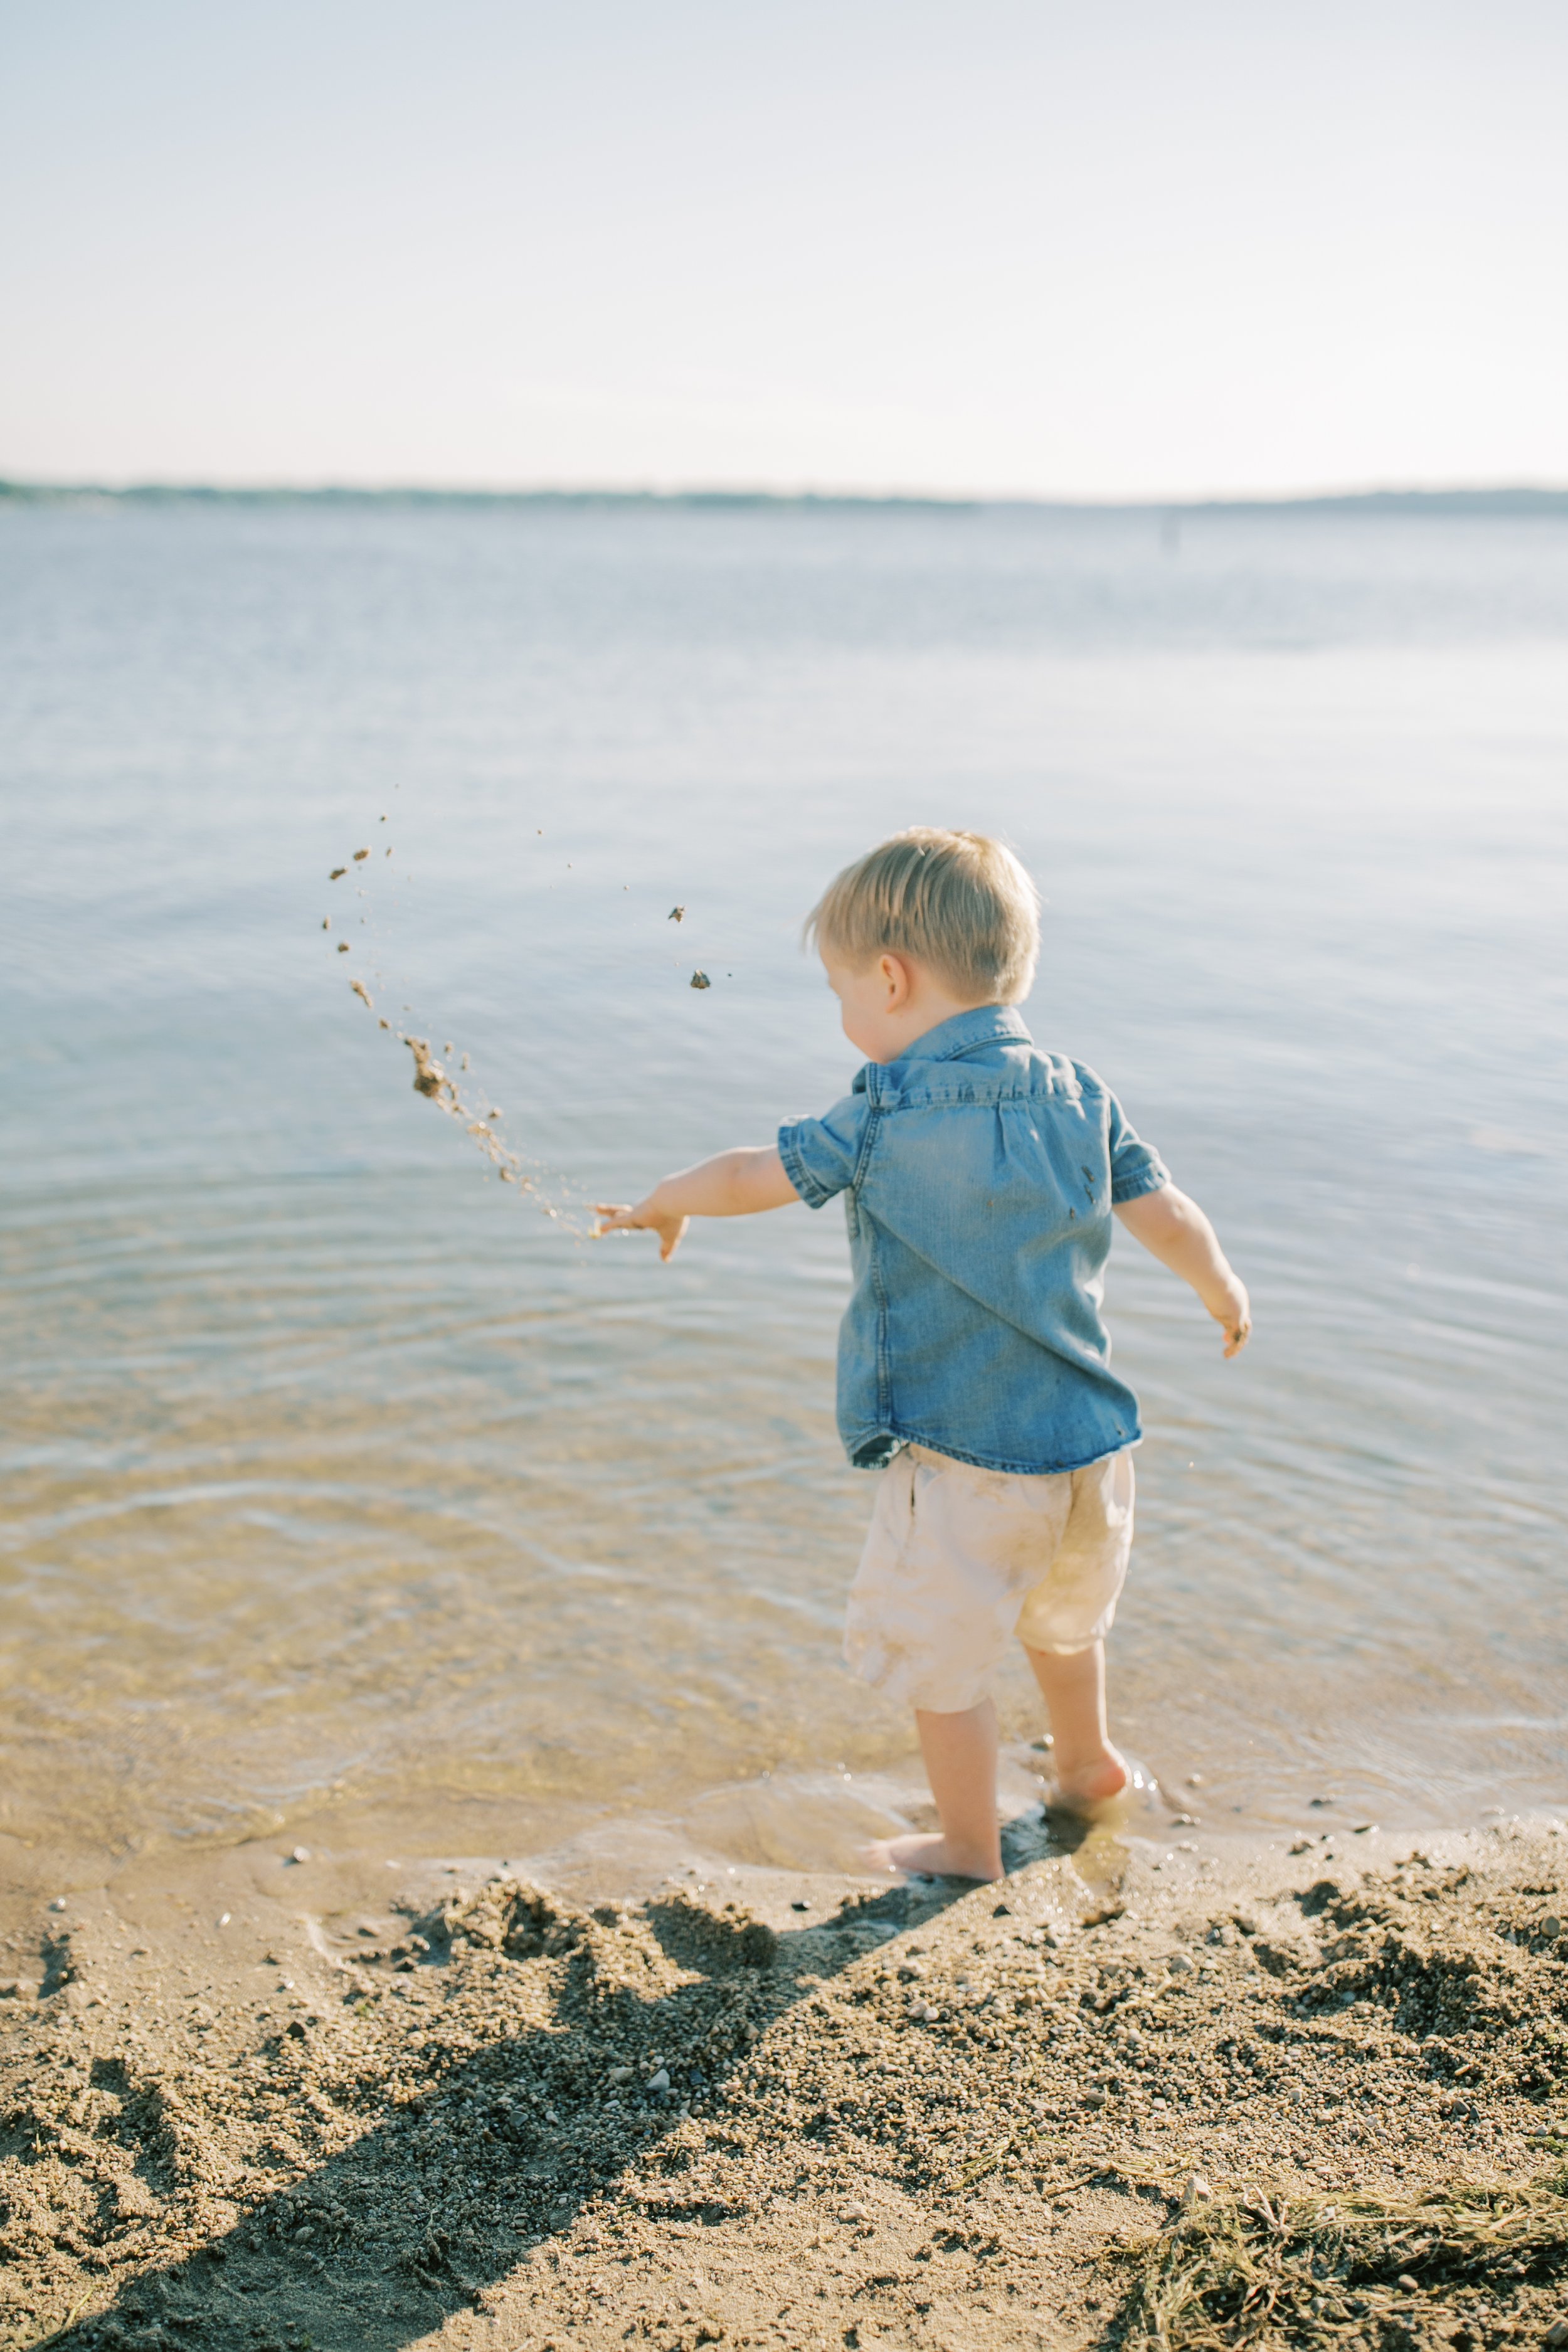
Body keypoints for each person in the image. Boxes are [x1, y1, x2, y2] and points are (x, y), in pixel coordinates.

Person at [595, 829, 1250, 1882]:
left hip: (965, 1456)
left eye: (843, 994)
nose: (848, 1020)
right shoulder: (1082, 1091)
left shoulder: (882, 1108)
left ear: (892, 978)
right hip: (1092, 1451)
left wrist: (667, 1201)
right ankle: (1086, 1769)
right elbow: (1164, 1211)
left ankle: (967, 1845)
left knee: (943, 1666)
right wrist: (1221, 1286)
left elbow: (756, 1173)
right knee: (1066, 1623)